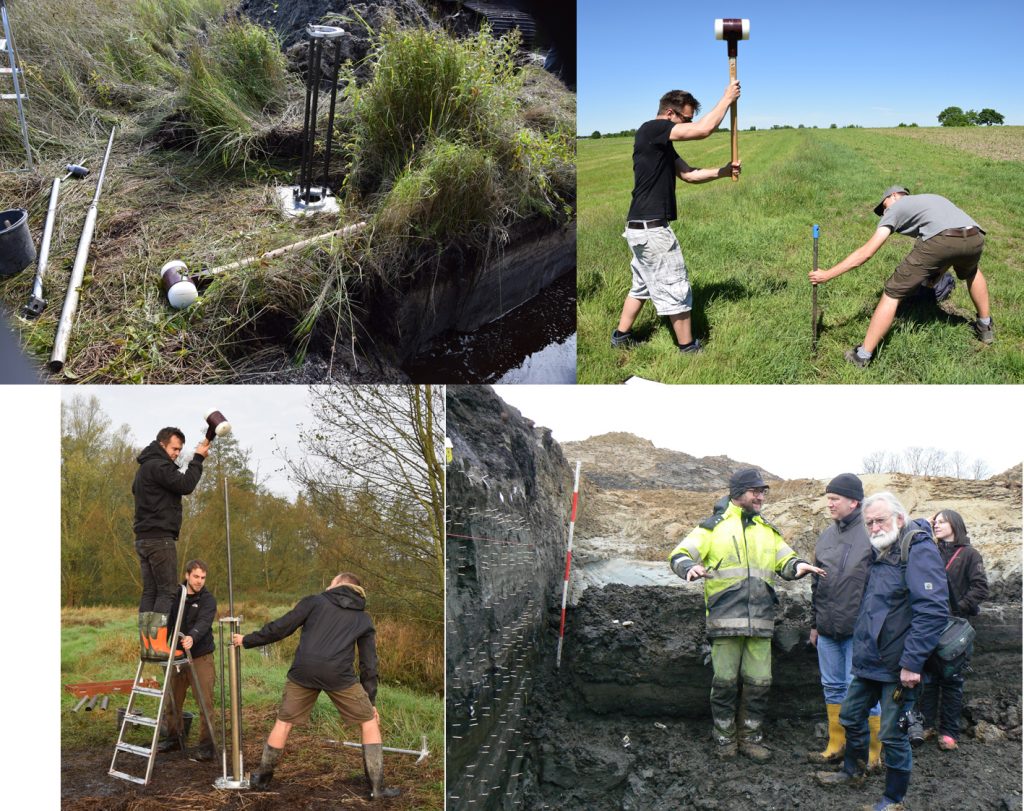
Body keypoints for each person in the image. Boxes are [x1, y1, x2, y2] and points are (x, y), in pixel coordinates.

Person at [669, 468, 824, 761]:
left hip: (762, 623)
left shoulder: (767, 530)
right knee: (725, 683)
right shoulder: (713, 528)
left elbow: (786, 559)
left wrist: (799, 566)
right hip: (725, 621)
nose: (761, 497)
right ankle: (724, 739)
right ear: (738, 492)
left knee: (760, 683)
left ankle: (751, 738)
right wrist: (687, 567)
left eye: (763, 492)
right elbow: (680, 553)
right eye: (756, 491)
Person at [816, 492, 948, 811]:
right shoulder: (882, 552)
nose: (874, 527)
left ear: (899, 520)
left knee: (893, 734)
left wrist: (913, 663)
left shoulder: (917, 549)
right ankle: (854, 771)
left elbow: (932, 610)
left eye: (880, 521)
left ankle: (893, 800)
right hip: (870, 663)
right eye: (870, 522)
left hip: (899, 666)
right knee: (849, 715)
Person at [231, 573, 400, 799]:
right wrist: (371, 702)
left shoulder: (315, 601)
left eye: (331, 582)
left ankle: (262, 779)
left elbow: (282, 627)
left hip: (304, 670)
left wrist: (247, 640)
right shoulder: (363, 618)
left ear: (340, 585)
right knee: (369, 722)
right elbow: (369, 664)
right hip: (338, 674)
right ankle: (377, 788)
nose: (328, 586)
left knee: (284, 722)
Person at [611, 83, 742, 354]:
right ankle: (688, 348)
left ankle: (620, 338)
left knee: (643, 285)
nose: (688, 124)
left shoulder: (661, 143)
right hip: (652, 230)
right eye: (686, 119)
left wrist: (722, 171)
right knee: (676, 286)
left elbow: (688, 174)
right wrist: (727, 99)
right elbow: (703, 130)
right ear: (670, 114)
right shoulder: (653, 128)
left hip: (639, 227)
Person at [808, 186, 994, 368]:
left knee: (891, 293)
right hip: (974, 236)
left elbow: (866, 253)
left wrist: (828, 274)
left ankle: (862, 355)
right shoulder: (930, 199)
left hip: (942, 240)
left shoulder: (895, 208)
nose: (884, 212)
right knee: (972, 272)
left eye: (884, 206)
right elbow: (950, 244)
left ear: (895, 195)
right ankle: (985, 327)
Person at [807, 474, 882, 769]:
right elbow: (816, 584)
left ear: (854, 501)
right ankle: (836, 744)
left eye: (835, 498)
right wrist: (815, 624)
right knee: (832, 687)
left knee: (863, 690)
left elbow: (882, 585)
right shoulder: (826, 536)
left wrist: (875, 627)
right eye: (828, 498)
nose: (830, 503)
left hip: (859, 631)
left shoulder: (871, 534)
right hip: (827, 630)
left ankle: (873, 751)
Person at [913, 509, 988, 751]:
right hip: (928, 625)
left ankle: (949, 732)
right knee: (928, 679)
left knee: (953, 681)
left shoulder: (970, 555)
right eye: (935, 522)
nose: (936, 525)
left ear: (955, 524)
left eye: (942, 521)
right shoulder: (929, 552)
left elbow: (980, 588)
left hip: (955, 629)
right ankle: (926, 725)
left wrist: (957, 610)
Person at [134, 427, 209, 658]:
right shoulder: (159, 465)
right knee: (167, 592)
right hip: (160, 540)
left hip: (143, 539)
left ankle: (148, 644)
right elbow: (186, 485)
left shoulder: (144, 469)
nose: (177, 453)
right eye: (175, 448)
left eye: (180, 450)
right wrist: (198, 459)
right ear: (162, 444)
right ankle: (158, 645)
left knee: (151, 591)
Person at [158, 559, 217, 761]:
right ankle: (174, 739)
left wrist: (193, 635)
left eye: (203, 577)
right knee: (172, 699)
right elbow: (166, 619)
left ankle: (207, 746)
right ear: (187, 575)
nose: (200, 581)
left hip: (200, 656)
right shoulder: (175, 595)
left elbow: (204, 620)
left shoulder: (208, 599)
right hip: (176, 656)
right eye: (196, 577)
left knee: (205, 702)